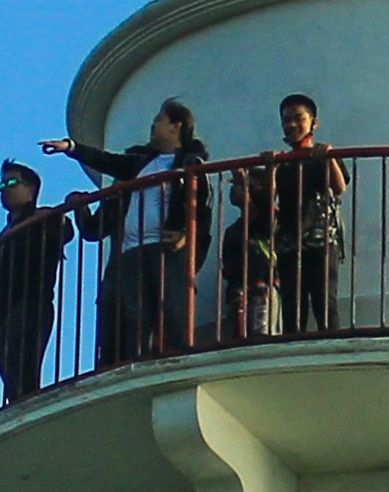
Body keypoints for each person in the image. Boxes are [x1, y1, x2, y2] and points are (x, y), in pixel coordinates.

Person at [52, 99, 210, 365]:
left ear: (176, 126)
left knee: (170, 307)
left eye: (159, 120)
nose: (153, 125)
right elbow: (107, 161)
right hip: (129, 253)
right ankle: (131, 364)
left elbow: (201, 208)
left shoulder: (191, 164)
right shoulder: (138, 165)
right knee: (134, 316)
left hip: (163, 249)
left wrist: (185, 235)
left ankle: (180, 361)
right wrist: (72, 148)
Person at [233, 92, 352, 341]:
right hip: (289, 240)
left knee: (324, 299)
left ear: (313, 122)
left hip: (320, 237)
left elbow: (339, 187)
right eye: (287, 120)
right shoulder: (284, 163)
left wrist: (328, 157)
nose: (292, 125)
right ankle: (294, 343)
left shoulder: (321, 156)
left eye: (299, 118)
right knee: (292, 304)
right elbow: (271, 196)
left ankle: (332, 347)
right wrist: (271, 168)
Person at [0, 157, 69, 402]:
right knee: (9, 370)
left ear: (31, 189)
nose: (5, 189)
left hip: (30, 305)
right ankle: (19, 405)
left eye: (12, 183)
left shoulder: (40, 219)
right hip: (3, 314)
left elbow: (64, 231)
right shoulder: (4, 235)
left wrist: (55, 217)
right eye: (2, 185)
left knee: (23, 370)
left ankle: (27, 406)